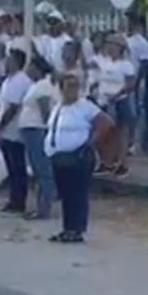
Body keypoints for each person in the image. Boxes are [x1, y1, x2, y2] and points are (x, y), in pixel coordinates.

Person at [45, 71, 112, 243]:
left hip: (78, 155)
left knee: (77, 193)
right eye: (69, 86)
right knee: (66, 194)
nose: (73, 90)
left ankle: (77, 229)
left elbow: (106, 122)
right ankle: (67, 228)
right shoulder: (58, 106)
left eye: (76, 86)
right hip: (59, 156)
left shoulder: (85, 106)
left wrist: (90, 142)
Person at [18, 56, 58, 220]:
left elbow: (45, 111)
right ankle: (40, 206)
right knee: (37, 170)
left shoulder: (43, 86)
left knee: (43, 170)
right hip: (30, 130)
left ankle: (44, 208)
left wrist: (48, 130)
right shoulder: (36, 85)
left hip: (37, 130)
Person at [92, 34, 137, 175]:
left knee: (121, 133)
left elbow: (131, 84)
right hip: (103, 100)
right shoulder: (105, 63)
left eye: (113, 45)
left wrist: (117, 95)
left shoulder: (126, 65)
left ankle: (122, 163)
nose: (110, 47)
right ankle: (107, 161)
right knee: (106, 133)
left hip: (119, 101)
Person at [0, 49, 32, 213]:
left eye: (9, 60)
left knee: (17, 167)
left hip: (14, 130)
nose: (6, 63)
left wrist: (0, 126)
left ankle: (18, 201)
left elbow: (13, 108)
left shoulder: (20, 81)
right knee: (12, 166)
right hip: (7, 131)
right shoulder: (9, 80)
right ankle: (14, 200)